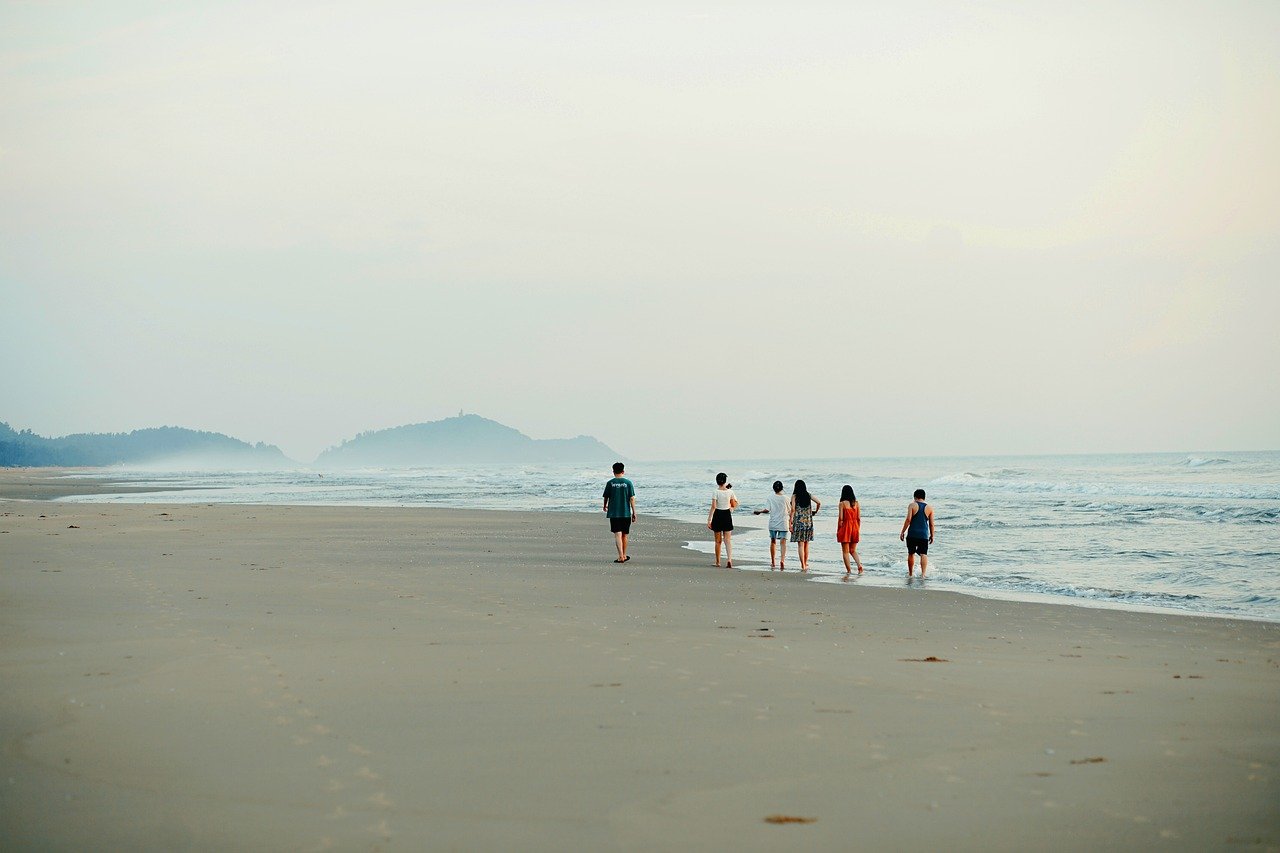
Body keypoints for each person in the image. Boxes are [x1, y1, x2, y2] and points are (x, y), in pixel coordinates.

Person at [753, 480, 791, 570]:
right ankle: (782, 560)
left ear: (773, 488)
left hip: (773, 523)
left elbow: (767, 509)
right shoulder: (786, 498)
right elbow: (790, 511)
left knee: (773, 542)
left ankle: (773, 561)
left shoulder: (770, 497)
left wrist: (759, 512)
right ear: (782, 488)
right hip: (783, 522)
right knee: (783, 543)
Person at [602, 462, 636, 563]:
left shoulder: (610, 483)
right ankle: (624, 555)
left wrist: (604, 505)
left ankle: (620, 556)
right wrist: (634, 512)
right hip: (625, 513)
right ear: (623, 471)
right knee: (625, 534)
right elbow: (632, 498)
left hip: (614, 513)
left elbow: (606, 496)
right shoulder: (628, 483)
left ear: (613, 471)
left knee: (617, 534)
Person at [899, 488, 935, 575]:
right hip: (923, 535)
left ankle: (910, 574)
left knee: (911, 553)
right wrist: (932, 535)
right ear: (924, 497)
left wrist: (903, 531)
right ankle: (923, 575)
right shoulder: (929, 508)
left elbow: (908, 520)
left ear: (915, 497)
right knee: (923, 554)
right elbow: (931, 524)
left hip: (912, 534)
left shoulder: (912, 505)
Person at [788, 479, 821, 571]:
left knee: (800, 545)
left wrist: (790, 521)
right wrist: (815, 511)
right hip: (808, 523)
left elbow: (793, 510)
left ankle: (802, 564)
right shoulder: (808, 495)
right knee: (807, 544)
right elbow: (819, 502)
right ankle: (805, 563)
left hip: (798, 523)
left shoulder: (794, 496)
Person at [706, 472, 738, 568]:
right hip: (727, 514)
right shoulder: (730, 492)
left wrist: (709, 519)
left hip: (718, 515)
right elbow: (734, 503)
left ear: (717, 481)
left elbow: (714, 506)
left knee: (718, 541)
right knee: (727, 540)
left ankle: (718, 562)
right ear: (725, 481)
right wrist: (731, 509)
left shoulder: (715, 492)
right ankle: (729, 560)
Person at [836, 485, 864, 574]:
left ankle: (849, 571)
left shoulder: (842, 504)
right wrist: (857, 528)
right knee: (853, 550)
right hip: (855, 527)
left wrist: (839, 530)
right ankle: (859, 565)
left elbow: (841, 519)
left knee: (845, 551)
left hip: (846, 527)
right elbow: (859, 518)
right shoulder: (856, 503)